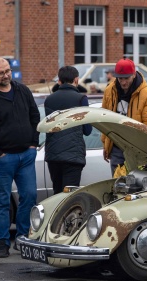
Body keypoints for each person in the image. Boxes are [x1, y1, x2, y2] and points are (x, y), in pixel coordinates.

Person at [0, 57, 40, 258]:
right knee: (2, 201)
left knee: (29, 195)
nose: (6, 75)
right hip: (2, 159)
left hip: (26, 155)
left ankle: (22, 237)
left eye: (8, 71)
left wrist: (33, 143)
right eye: (1, 72)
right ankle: (2, 243)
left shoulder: (23, 91)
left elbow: (35, 116)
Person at [101, 57, 147, 176]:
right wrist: (105, 144)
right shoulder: (109, 91)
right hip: (116, 146)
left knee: (136, 185)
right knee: (117, 185)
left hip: (137, 148)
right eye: (120, 78)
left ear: (133, 74)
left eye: (126, 78)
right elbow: (104, 119)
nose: (123, 82)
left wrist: (144, 150)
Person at [44, 66, 92, 194]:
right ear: (76, 80)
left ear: (59, 80)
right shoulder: (81, 99)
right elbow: (88, 130)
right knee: (69, 196)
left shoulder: (49, 99)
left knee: (57, 193)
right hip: (73, 156)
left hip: (53, 154)